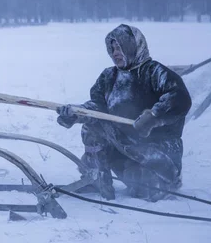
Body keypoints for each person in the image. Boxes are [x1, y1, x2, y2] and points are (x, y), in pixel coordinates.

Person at [56, 24, 192, 201]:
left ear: (134, 46)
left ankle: (161, 183)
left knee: (150, 193)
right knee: (92, 126)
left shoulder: (156, 73)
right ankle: (96, 178)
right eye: (112, 48)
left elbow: (180, 99)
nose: (115, 53)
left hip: (158, 156)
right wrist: (77, 113)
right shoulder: (108, 76)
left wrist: (154, 117)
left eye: (120, 47)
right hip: (125, 151)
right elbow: (98, 107)